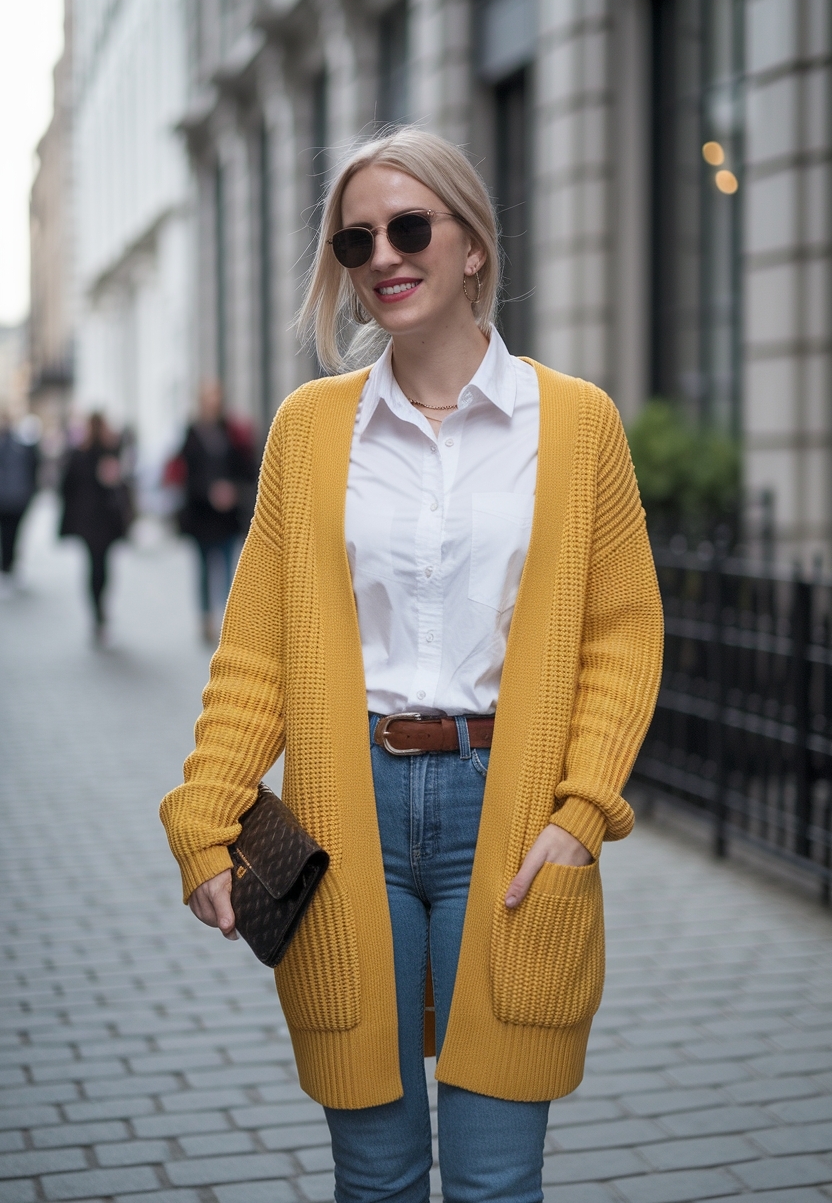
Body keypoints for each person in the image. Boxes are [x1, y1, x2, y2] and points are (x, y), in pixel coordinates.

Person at [160, 128, 664, 1203]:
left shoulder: (576, 426)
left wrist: (580, 820)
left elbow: (621, 637)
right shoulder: (309, 431)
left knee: (493, 1180)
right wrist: (204, 809)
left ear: (471, 244)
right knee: (377, 1177)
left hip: (514, 815)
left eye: (407, 226)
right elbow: (256, 647)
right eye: (355, 239)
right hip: (349, 821)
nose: (381, 254)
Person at [173, 383, 256, 644]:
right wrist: (209, 492)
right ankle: (206, 618)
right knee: (204, 570)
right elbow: (186, 474)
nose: (213, 401)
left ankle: (228, 620)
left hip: (227, 518)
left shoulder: (230, 431)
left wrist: (233, 490)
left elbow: (246, 467)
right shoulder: (192, 433)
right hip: (201, 517)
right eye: (209, 397)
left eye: (217, 396)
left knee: (230, 569)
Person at [60, 412, 132, 643]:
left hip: (101, 521)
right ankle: (98, 612)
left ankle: (99, 612)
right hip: (94, 521)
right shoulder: (85, 454)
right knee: (98, 566)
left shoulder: (106, 453)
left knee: (99, 566)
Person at [0, 412, 39, 594]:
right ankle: (7, 567)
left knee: (12, 535)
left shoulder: (20, 445)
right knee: (7, 536)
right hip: (9, 498)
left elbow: (32, 467)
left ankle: (9, 567)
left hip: (16, 499)